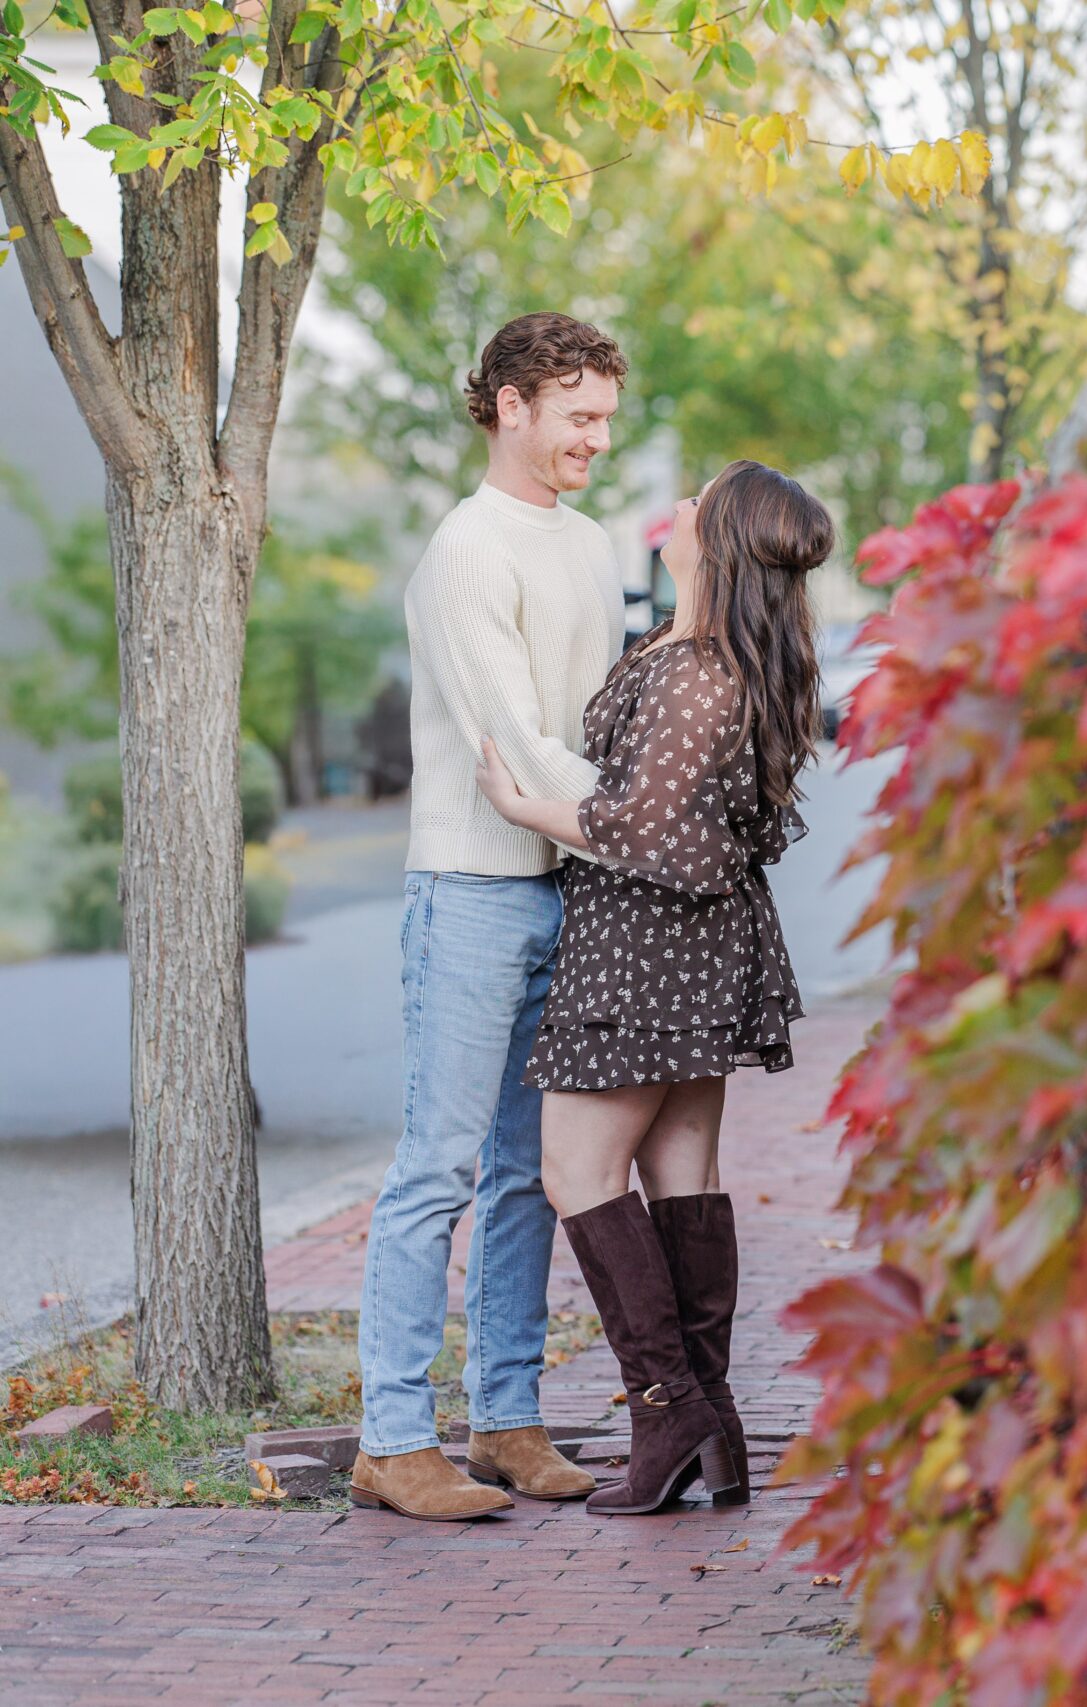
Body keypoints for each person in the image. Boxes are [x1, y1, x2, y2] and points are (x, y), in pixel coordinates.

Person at [473, 459, 827, 1515]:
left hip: (642, 947)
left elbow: (647, 828)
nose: (676, 508)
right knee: (682, 1171)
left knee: (575, 1172)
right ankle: (710, 1425)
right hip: (701, 947)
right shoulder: (714, 660)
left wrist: (520, 804)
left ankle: (666, 1407)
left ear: (713, 540)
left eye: (697, 498)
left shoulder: (691, 673)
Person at [351, 313, 628, 1522]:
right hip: (470, 892)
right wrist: (639, 829)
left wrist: (611, 833)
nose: (596, 440)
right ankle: (392, 1438)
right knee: (439, 1170)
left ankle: (507, 1421)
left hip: (568, 885)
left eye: (607, 418)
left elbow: (600, 717)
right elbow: (518, 737)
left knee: (528, 1175)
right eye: (579, 416)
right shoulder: (468, 551)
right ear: (510, 406)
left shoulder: (589, 542)